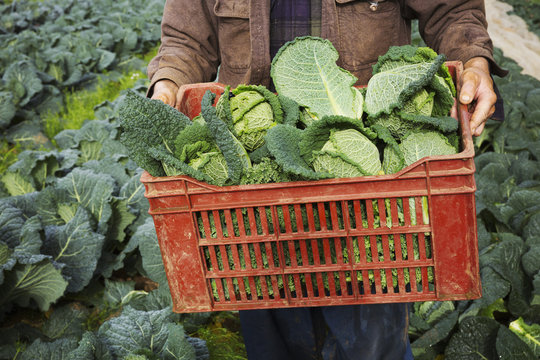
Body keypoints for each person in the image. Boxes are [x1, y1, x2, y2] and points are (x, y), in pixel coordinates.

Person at [146, 1, 506, 359]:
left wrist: (475, 61)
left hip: (369, 194)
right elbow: (186, 39)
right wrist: (167, 84)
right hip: (256, 193)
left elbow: (451, 9)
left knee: (370, 341)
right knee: (272, 341)